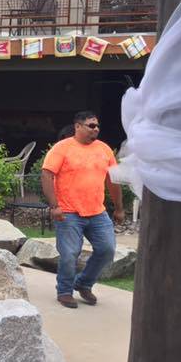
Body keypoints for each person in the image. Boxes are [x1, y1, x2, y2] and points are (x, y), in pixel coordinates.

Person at [41, 111, 123, 309]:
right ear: (78, 126)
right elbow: (46, 174)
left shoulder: (104, 150)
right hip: (68, 212)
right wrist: (54, 206)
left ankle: (83, 283)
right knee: (69, 254)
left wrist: (119, 208)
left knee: (107, 250)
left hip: (97, 211)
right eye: (91, 125)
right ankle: (65, 292)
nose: (96, 129)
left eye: (97, 126)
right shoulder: (63, 148)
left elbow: (113, 180)